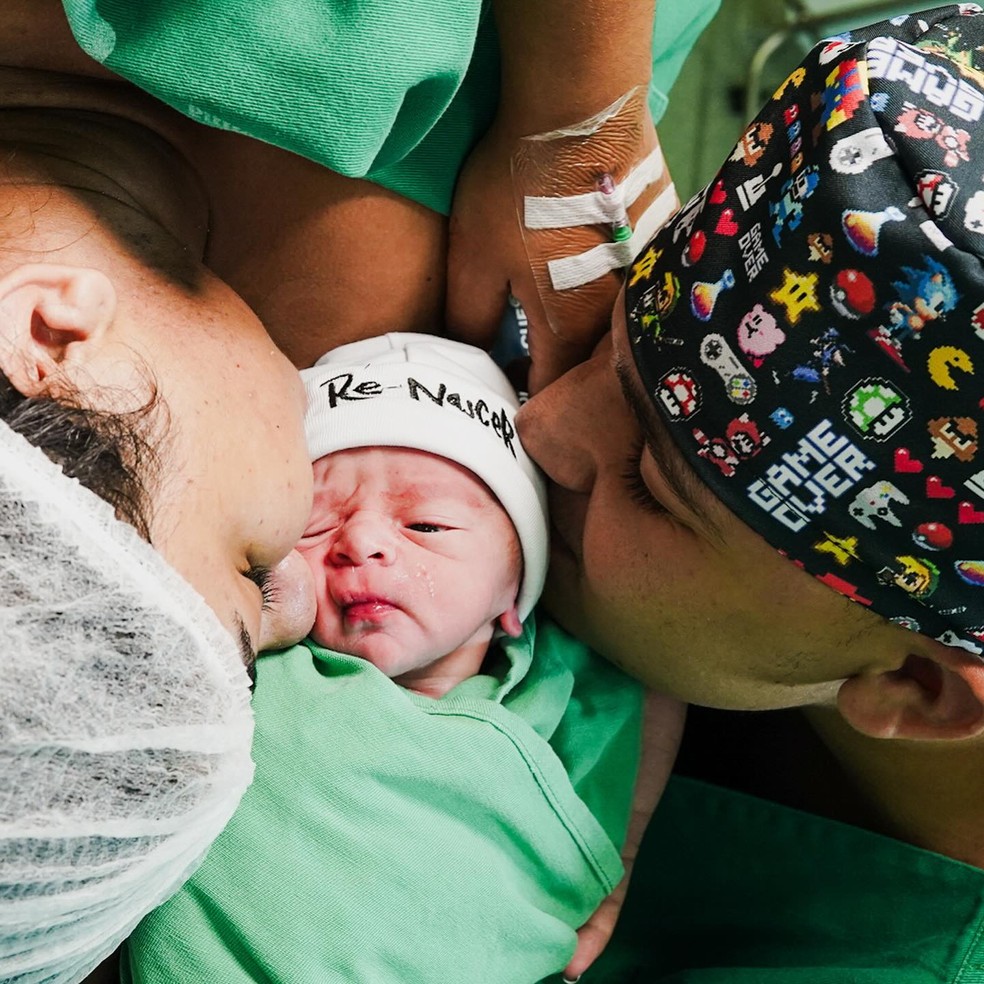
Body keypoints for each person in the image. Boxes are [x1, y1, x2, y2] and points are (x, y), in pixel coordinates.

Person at [515, 5, 984, 980]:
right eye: (610, 347)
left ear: (919, 687)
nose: (541, 425)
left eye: (650, 486)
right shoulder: (775, 627)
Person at [122, 333, 646, 984]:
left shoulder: (570, 695)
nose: (362, 540)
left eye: (426, 525)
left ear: (515, 596)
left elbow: (660, 640)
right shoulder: (250, 656)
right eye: (313, 524)